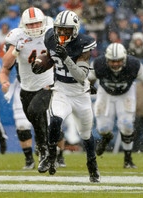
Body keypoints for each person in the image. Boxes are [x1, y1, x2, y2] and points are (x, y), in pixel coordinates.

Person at [40, 10, 99, 182]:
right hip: (61, 90)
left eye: (67, 30)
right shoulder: (50, 37)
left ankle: (92, 167)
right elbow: (50, 57)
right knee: (55, 120)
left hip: (80, 94)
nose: (62, 33)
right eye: (60, 29)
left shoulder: (83, 44)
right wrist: (40, 63)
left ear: (75, 29)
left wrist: (66, 58)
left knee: (86, 134)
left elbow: (81, 76)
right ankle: (51, 157)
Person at [0, 7, 55, 172]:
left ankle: (45, 150)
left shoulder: (51, 33)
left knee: (36, 111)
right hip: (26, 86)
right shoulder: (17, 36)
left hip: (47, 83)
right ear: (24, 25)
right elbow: (6, 64)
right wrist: (16, 49)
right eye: (30, 24)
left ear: (43, 21)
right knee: (33, 118)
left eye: (37, 23)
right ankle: (47, 150)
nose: (34, 27)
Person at [89, 43, 143, 169]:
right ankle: (106, 137)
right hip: (105, 93)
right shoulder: (98, 64)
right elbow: (89, 80)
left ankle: (128, 159)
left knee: (127, 125)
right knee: (103, 128)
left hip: (126, 93)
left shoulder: (133, 65)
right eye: (112, 61)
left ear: (125, 59)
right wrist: (90, 89)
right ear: (106, 59)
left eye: (118, 61)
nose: (116, 64)